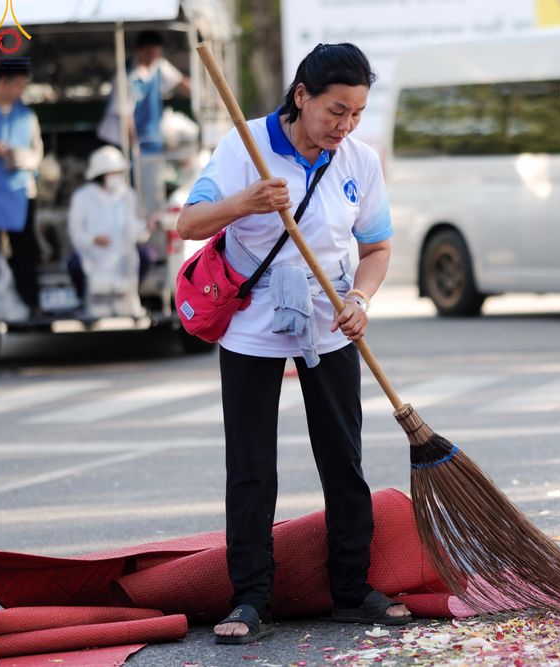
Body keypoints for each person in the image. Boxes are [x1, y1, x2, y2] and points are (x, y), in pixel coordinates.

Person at [176, 42, 408, 644]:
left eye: (355, 114)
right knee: (251, 468)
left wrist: (359, 300)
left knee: (343, 458)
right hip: (253, 326)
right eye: (335, 111)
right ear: (301, 96)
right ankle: (250, 598)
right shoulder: (244, 145)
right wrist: (246, 201)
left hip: (330, 320)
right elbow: (189, 224)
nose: (344, 126)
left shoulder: (357, 160)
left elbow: (377, 248)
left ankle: (351, 592)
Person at [97, 30, 191, 218]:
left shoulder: (159, 66)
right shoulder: (127, 78)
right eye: (149, 54)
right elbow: (126, 117)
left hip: (149, 140)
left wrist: (203, 95)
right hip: (122, 140)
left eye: (157, 54)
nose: (153, 58)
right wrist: (134, 148)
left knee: (151, 187)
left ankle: (150, 219)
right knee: (128, 190)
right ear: (139, 51)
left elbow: (181, 81)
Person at [0, 59, 43, 316]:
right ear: (2, 82)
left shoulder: (27, 116)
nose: (20, 91)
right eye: (17, 85)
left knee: (24, 251)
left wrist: (22, 159)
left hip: (20, 191)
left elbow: (37, 153)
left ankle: (30, 303)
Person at [66, 146, 150, 316]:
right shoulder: (82, 197)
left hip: (122, 255)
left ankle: (130, 297)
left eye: (119, 172)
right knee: (73, 264)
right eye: (112, 172)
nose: (117, 177)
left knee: (147, 256)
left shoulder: (128, 196)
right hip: (93, 255)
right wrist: (92, 240)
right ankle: (84, 301)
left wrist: (147, 227)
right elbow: (75, 232)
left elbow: (133, 228)